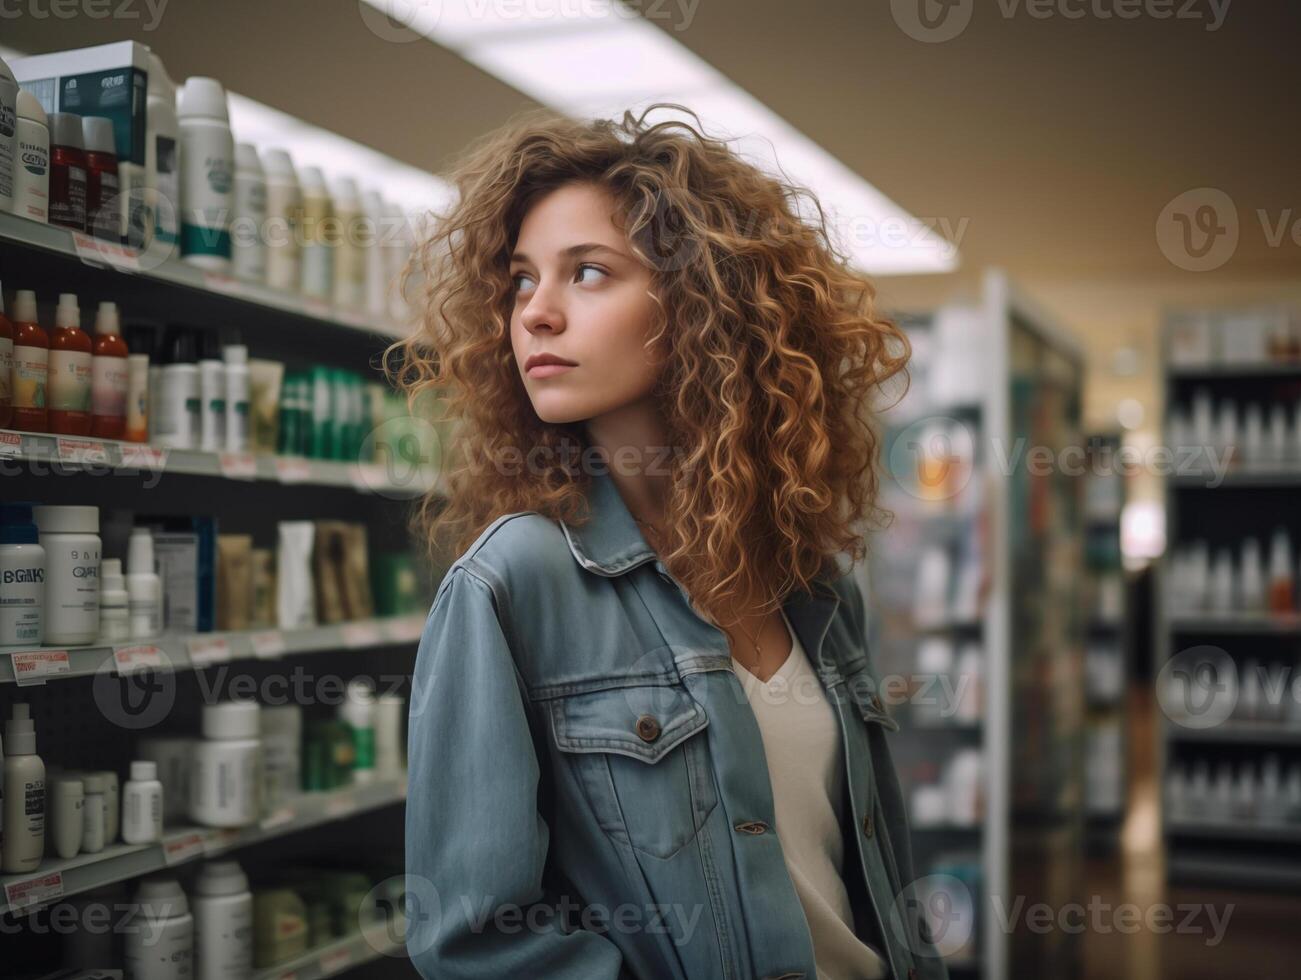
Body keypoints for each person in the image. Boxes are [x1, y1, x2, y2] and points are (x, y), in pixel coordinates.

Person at [390, 103, 949, 980]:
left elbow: (870, 878)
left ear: (700, 304)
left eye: (587, 273)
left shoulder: (815, 585)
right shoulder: (513, 583)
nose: (535, 313)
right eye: (519, 280)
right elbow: (475, 941)